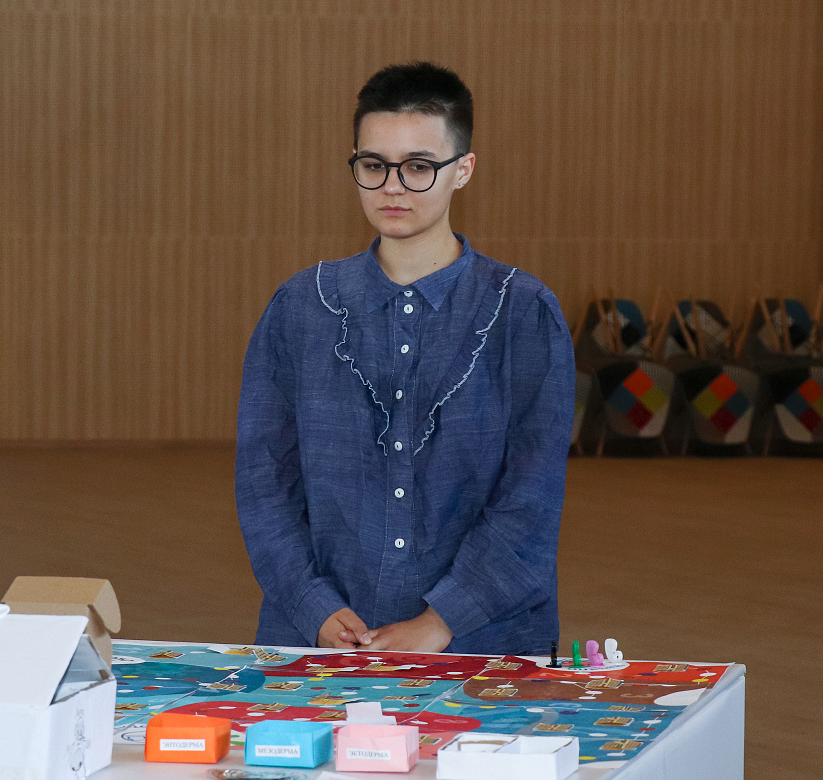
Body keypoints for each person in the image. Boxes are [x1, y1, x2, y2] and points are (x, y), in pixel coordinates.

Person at [234, 62, 575, 655]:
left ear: (463, 170)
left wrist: (440, 622)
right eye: (374, 166)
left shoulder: (523, 312)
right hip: (320, 640)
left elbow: (532, 500)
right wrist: (315, 606)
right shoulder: (301, 307)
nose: (392, 187)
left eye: (418, 167)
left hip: (483, 642)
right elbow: (265, 484)